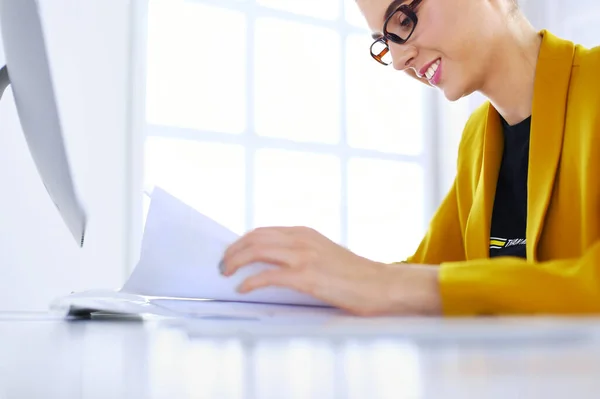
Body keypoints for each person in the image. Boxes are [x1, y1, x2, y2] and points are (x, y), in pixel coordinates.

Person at [218, 0, 600, 316]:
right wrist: (304, 280)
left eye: (403, 19)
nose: (399, 60)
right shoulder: (479, 138)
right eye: (385, 42)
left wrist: (380, 282)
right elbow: (430, 271)